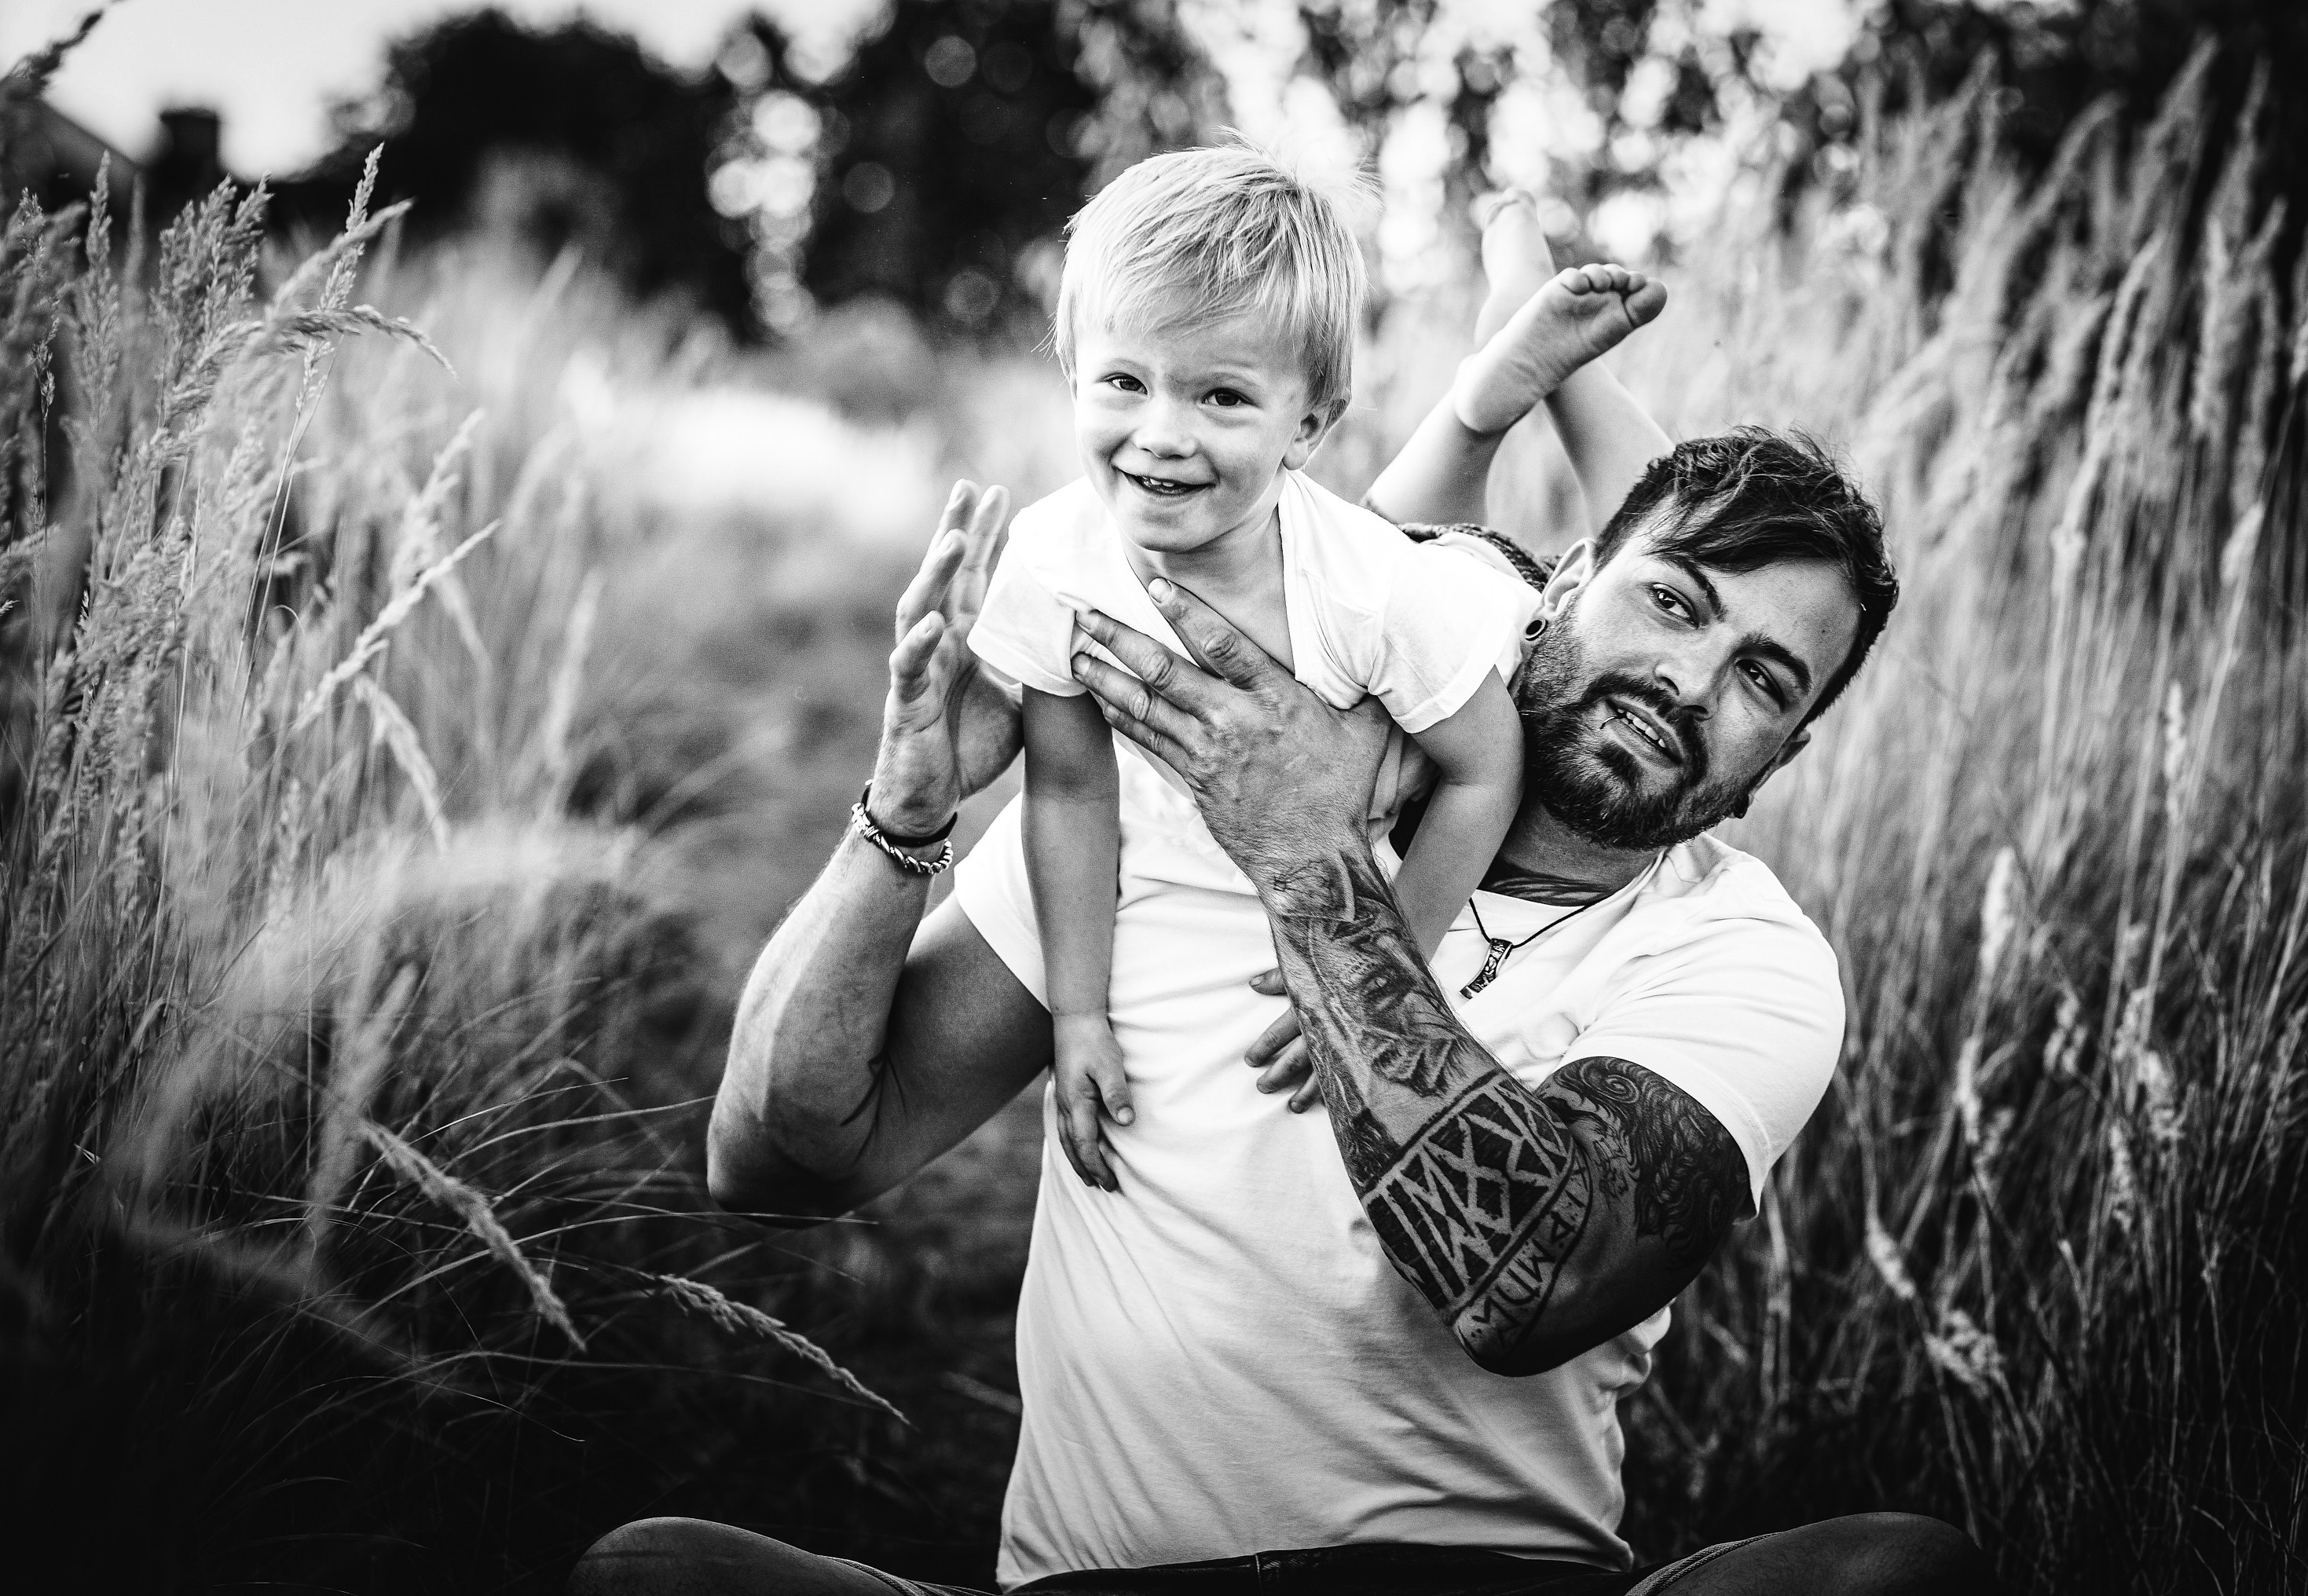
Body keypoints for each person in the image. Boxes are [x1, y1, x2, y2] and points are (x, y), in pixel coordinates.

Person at [572, 193, 1995, 1596]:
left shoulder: (1743, 957)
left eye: (1763, 681)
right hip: (1111, 1587)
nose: (1686, 682)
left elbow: (1530, 1286)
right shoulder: (1185, 772)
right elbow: (778, 1158)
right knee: (654, 1577)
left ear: (1776, 764)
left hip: (1482, 1585)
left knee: (1899, 1576)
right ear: (1554, 587)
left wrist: (1314, 870)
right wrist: (903, 815)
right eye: (1672, 602)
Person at [970, 145, 1660, 1190]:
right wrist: (1078, 1012)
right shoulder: (1052, 560)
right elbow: (1068, 784)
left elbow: (1487, 767)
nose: (1160, 435)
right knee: (1359, 547)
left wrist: (1387, 978)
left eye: (1221, 397)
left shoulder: (1377, 591)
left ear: (1309, 426)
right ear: (1073, 373)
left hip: (1493, 625)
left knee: (1672, 551)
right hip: (1346, 576)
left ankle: (1519, 368)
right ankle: (1488, 384)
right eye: (1123, 382)